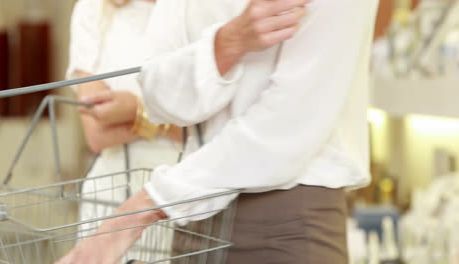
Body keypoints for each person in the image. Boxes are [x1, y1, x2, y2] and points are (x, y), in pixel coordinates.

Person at [58, 0, 380, 263]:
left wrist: (138, 210)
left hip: (283, 220)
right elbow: (158, 93)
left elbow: (287, 129)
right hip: (190, 221)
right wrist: (227, 43)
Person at [66, 0, 181, 260]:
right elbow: (96, 133)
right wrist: (165, 118)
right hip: (110, 195)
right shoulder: (93, 9)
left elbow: (208, 130)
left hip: (180, 195)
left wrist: (134, 111)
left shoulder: (192, 9)